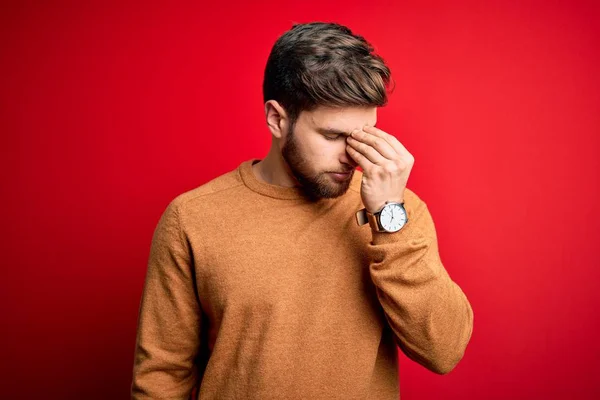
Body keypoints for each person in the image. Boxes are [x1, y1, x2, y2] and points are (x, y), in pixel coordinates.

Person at [131, 21, 474, 400]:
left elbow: (443, 350)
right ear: (277, 119)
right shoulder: (192, 217)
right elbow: (162, 376)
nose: (354, 155)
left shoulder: (396, 212)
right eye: (332, 136)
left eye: (365, 134)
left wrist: (389, 219)